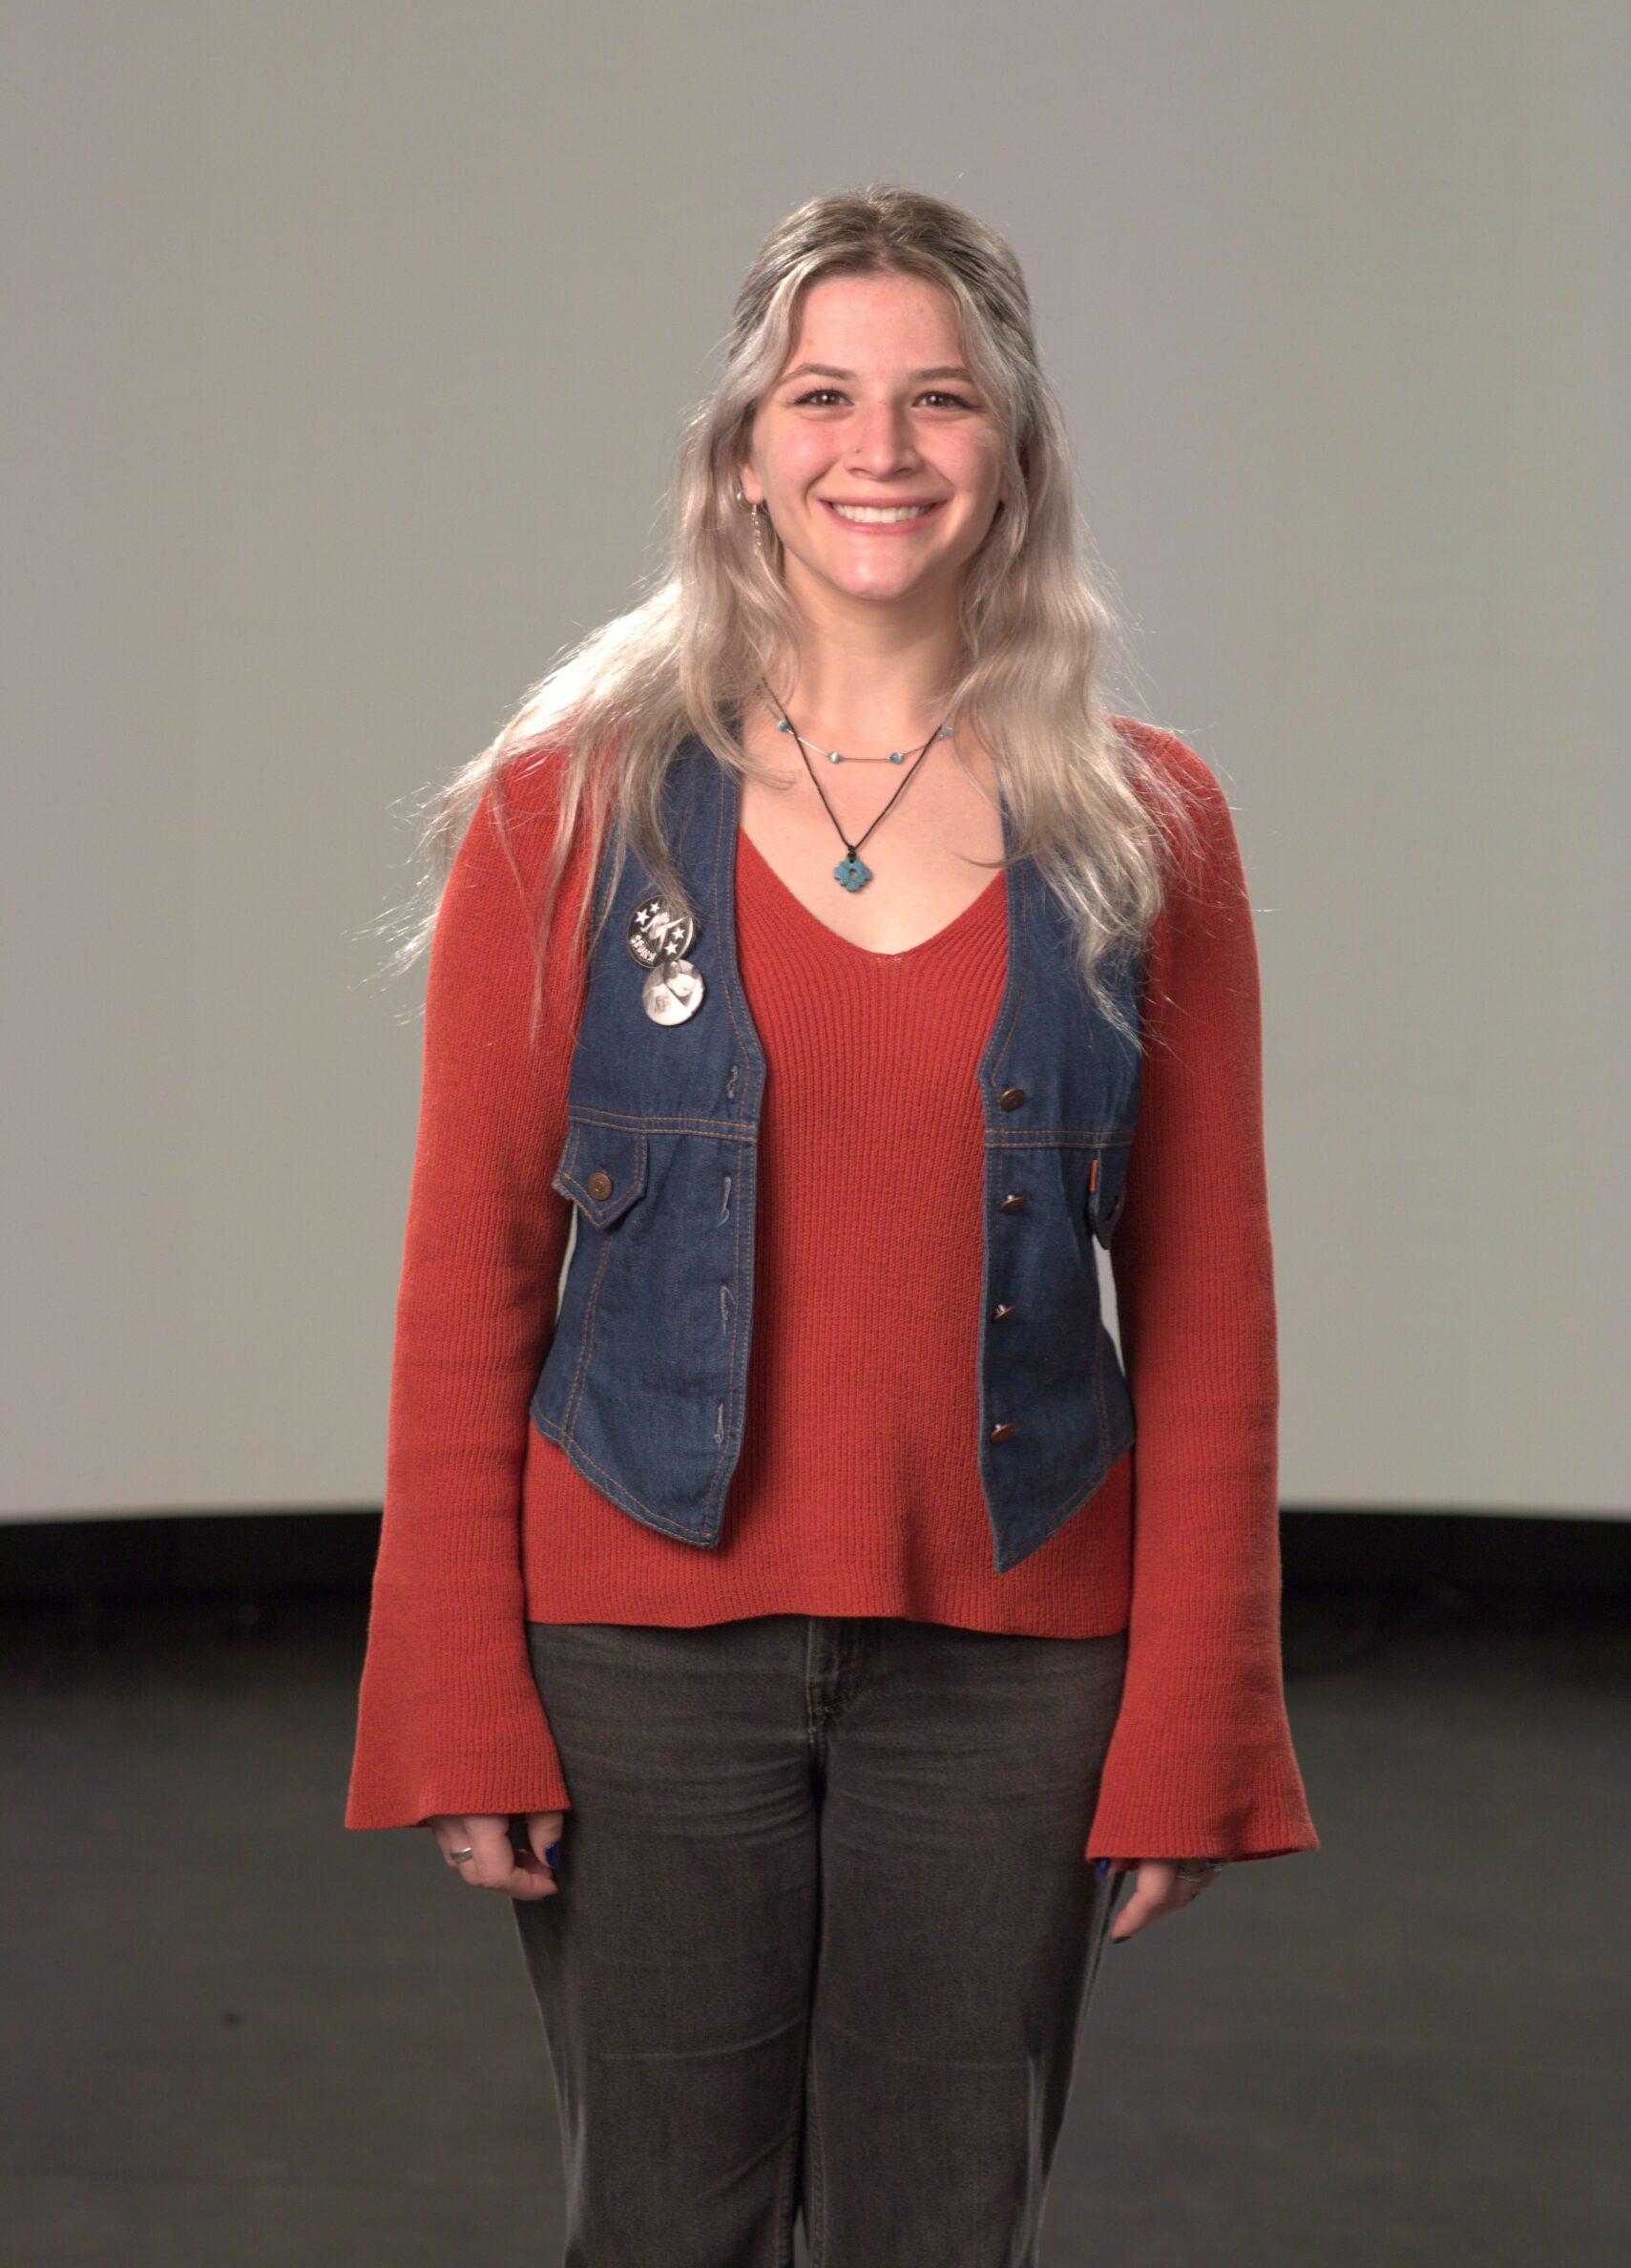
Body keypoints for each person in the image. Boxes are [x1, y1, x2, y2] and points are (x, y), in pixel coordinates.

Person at [345, 183, 1318, 2265]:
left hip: (1016, 1672)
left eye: (940, 398)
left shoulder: (1151, 829)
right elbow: (469, 1283)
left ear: (1018, 460)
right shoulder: (570, 804)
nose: (881, 447)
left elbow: (1215, 1310)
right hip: (634, 1656)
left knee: (939, 2232)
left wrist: (1197, 1718)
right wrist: (453, 1693)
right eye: (825, 394)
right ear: (742, 452)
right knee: (665, 2228)